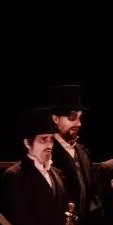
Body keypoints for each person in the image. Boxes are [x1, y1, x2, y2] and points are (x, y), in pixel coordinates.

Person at [46, 84, 96, 214]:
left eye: (79, 118)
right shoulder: (48, 152)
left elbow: (93, 190)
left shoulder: (83, 152)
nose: (78, 123)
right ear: (55, 119)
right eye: (72, 117)